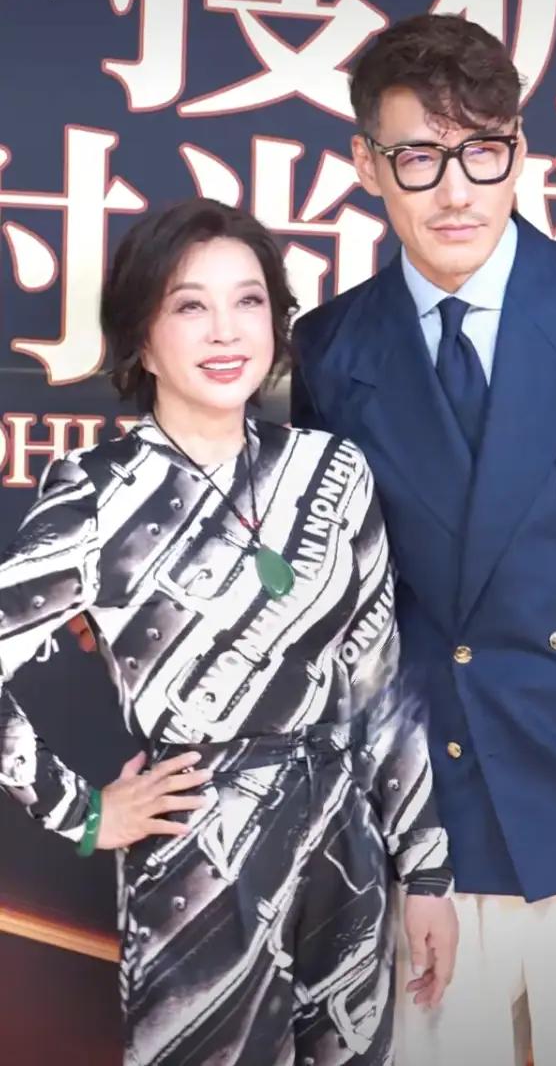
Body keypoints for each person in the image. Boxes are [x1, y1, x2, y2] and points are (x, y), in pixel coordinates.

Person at [290, 12, 556, 1066]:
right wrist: (388, 839)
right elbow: (343, 613)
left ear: (518, 152)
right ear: (367, 164)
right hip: (441, 819)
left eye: (483, 151)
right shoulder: (330, 348)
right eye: (420, 157)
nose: (457, 191)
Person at [0, 198, 457, 1066]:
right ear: (141, 339)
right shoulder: (97, 490)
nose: (225, 330)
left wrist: (425, 870)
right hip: (198, 864)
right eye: (189, 304)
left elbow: (379, 684)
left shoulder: (333, 469)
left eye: (248, 300)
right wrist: (84, 811)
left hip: (345, 850)